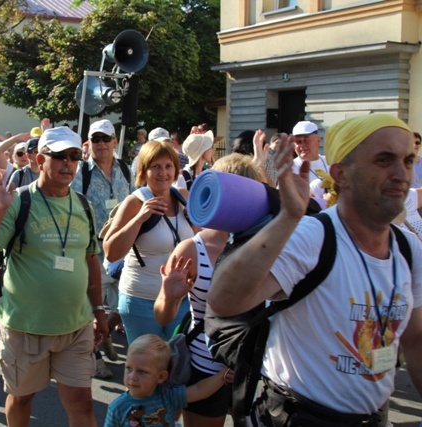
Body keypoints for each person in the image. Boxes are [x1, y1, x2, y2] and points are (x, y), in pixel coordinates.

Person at [207, 114, 422, 425]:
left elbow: (416, 338)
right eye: (384, 160)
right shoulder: (312, 236)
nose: (402, 174)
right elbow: (224, 300)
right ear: (342, 175)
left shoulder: (408, 248)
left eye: (408, 160)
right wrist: (287, 218)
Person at [0, 126, 107, 426]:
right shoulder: (18, 201)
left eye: (73, 156)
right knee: (22, 399)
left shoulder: (83, 205)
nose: (67, 163)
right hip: (25, 328)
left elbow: (90, 258)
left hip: (75, 327)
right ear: (39, 159)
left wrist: (99, 310)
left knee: (82, 404)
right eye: (58, 156)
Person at [155, 153, 265, 427]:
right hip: (205, 368)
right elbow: (163, 317)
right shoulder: (192, 248)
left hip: (255, 369)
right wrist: (170, 295)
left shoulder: (266, 245)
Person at [104, 140, 195, 345]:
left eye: (168, 166)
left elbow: (199, 242)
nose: (163, 173)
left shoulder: (183, 197)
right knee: (147, 367)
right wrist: (139, 218)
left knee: (177, 363)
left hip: (180, 300)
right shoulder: (134, 202)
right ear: (144, 171)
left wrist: (195, 221)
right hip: (141, 300)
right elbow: (111, 252)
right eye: (156, 167)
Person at [71, 119, 134, 377]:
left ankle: (104, 332)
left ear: (114, 141)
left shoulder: (125, 170)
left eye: (105, 139)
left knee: (124, 307)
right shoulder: (81, 172)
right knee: (89, 309)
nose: (100, 144)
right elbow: (73, 207)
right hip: (91, 252)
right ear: (89, 143)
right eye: (95, 139)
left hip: (121, 251)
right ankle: (93, 356)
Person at [104, 334, 232, 427]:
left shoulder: (168, 396)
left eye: (142, 371)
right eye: (129, 369)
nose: (133, 377)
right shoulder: (118, 407)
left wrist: (222, 376)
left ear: (161, 377)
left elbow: (198, 390)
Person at [291, 120, 329, 197]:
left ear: (318, 141)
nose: (302, 145)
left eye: (306, 140)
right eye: (298, 142)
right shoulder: (291, 167)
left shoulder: (330, 162)